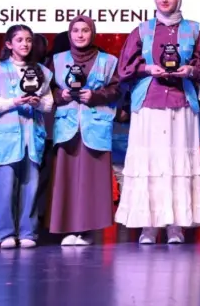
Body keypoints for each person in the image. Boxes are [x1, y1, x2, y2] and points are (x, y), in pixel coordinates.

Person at [114, 0, 200, 245]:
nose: (164, 0)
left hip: (181, 103)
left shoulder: (193, 29)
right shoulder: (142, 30)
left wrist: (190, 70)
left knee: (177, 164)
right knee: (150, 164)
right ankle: (149, 226)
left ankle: (176, 225)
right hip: (149, 103)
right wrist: (147, 69)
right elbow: (124, 67)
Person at [48, 16, 121, 246]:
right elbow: (46, 90)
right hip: (67, 127)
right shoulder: (57, 60)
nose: (80, 35)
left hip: (95, 126)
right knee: (67, 179)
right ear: (69, 34)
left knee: (92, 180)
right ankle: (68, 229)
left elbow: (118, 89)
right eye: (76, 30)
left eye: (85, 30)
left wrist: (96, 95)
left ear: (93, 33)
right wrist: (61, 95)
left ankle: (88, 231)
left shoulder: (108, 60)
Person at [0, 24, 54, 249]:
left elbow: (49, 104)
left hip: (32, 137)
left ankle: (27, 232)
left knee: (30, 187)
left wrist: (37, 103)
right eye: (20, 40)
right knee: (5, 188)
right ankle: (5, 233)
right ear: (9, 44)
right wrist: (14, 102)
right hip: (6, 137)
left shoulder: (42, 71)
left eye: (28, 40)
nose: (25, 44)